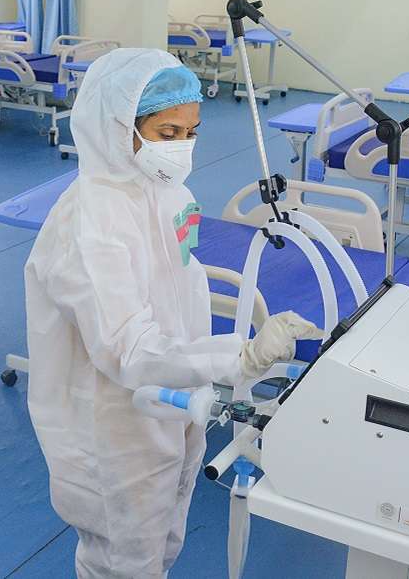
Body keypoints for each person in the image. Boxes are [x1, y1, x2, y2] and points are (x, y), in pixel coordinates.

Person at [25, 48, 320, 578]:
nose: (183, 146)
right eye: (168, 132)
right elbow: (128, 348)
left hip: (174, 404)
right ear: (119, 129)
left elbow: (180, 291)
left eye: (192, 130)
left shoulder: (164, 191)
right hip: (116, 428)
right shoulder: (90, 222)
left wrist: (210, 369)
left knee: (162, 545)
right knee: (122, 562)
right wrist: (241, 356)